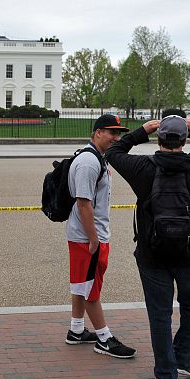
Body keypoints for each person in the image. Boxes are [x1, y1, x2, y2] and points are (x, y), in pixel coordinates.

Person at [106, 115, 190, 379]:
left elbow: (114, 150)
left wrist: (142, 130)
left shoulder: (142, 167)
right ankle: (184, 358)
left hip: (152, 254)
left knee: (159, 314)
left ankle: (166, 374)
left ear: (159, 138)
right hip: (189, 253)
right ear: (185, 140)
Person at [64, 114, 137, 359]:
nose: (117, 137)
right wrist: (94, 238)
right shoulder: (88, 162)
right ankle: (104, 339)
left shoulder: (96, 157)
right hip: (88, 237)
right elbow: (84, 203)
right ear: (97, 132)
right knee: (91, 289)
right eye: (111, 132)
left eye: (119, 133)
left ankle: (76, 330)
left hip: (86, 235)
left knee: (82, 284)